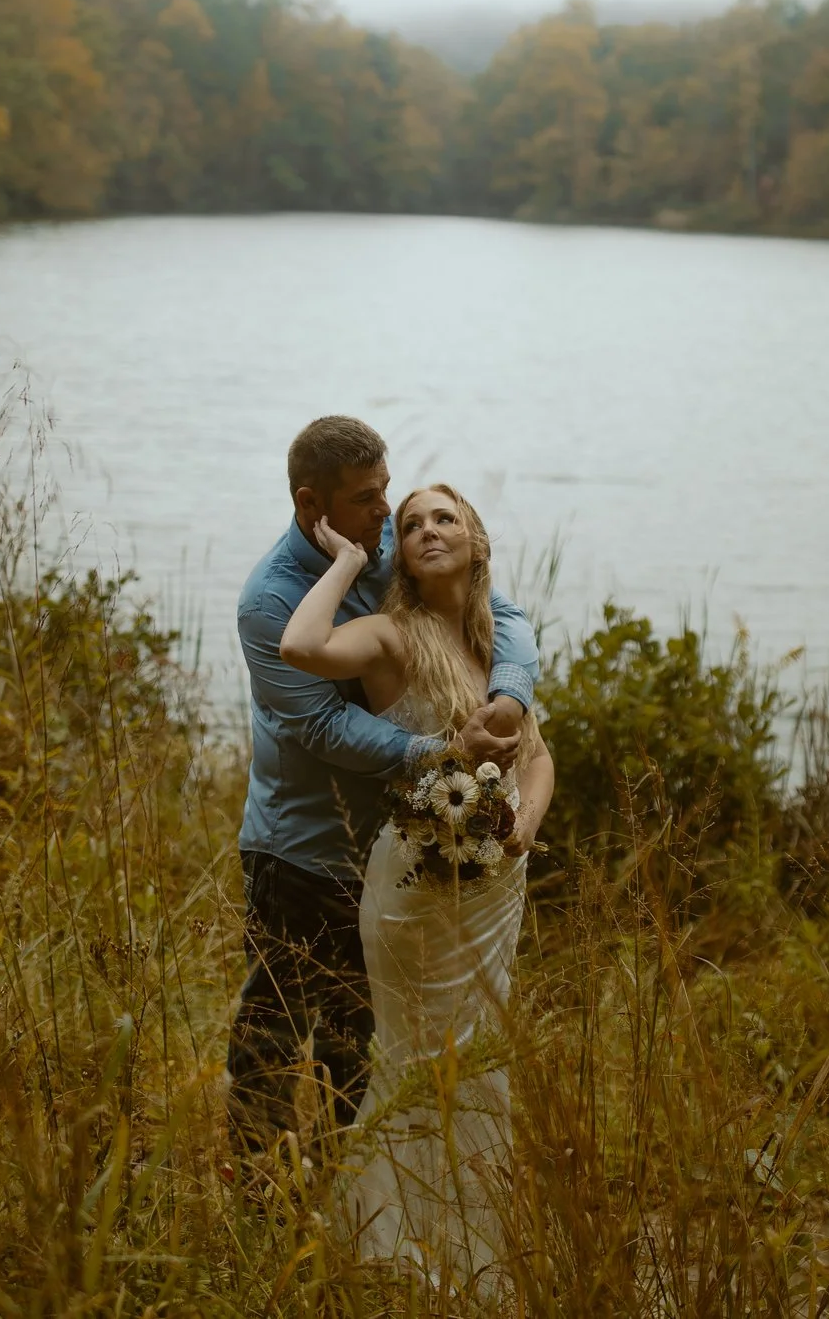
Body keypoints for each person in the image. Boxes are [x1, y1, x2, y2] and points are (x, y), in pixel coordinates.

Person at [229, 417, 538, 1171]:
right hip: (302, 851)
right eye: (367, 498)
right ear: (312, 505)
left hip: (395, 853)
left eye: (386, 491)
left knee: (363, 1041)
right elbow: (324, 726)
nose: (385, 511)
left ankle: (343, 1190)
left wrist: (507, 697)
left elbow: (499, 612)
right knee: (274, 1033)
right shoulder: (269, 600)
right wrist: (446, 751)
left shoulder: (383, 548)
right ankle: (259, 1199)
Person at [280, 480, 556, 1289]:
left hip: (496, 883)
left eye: (445, 517)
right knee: (416, 1060)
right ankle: (387, 1249)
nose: (428, 529)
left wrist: (524, 826)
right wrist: (347, 561)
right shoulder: (391, 634)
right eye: (409, 525)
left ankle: (473, 1247)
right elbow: (300, 645)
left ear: (476, 539)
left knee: (482, 1065)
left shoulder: (500, 643)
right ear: (399, 553)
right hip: (414, 883)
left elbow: (538, 757)